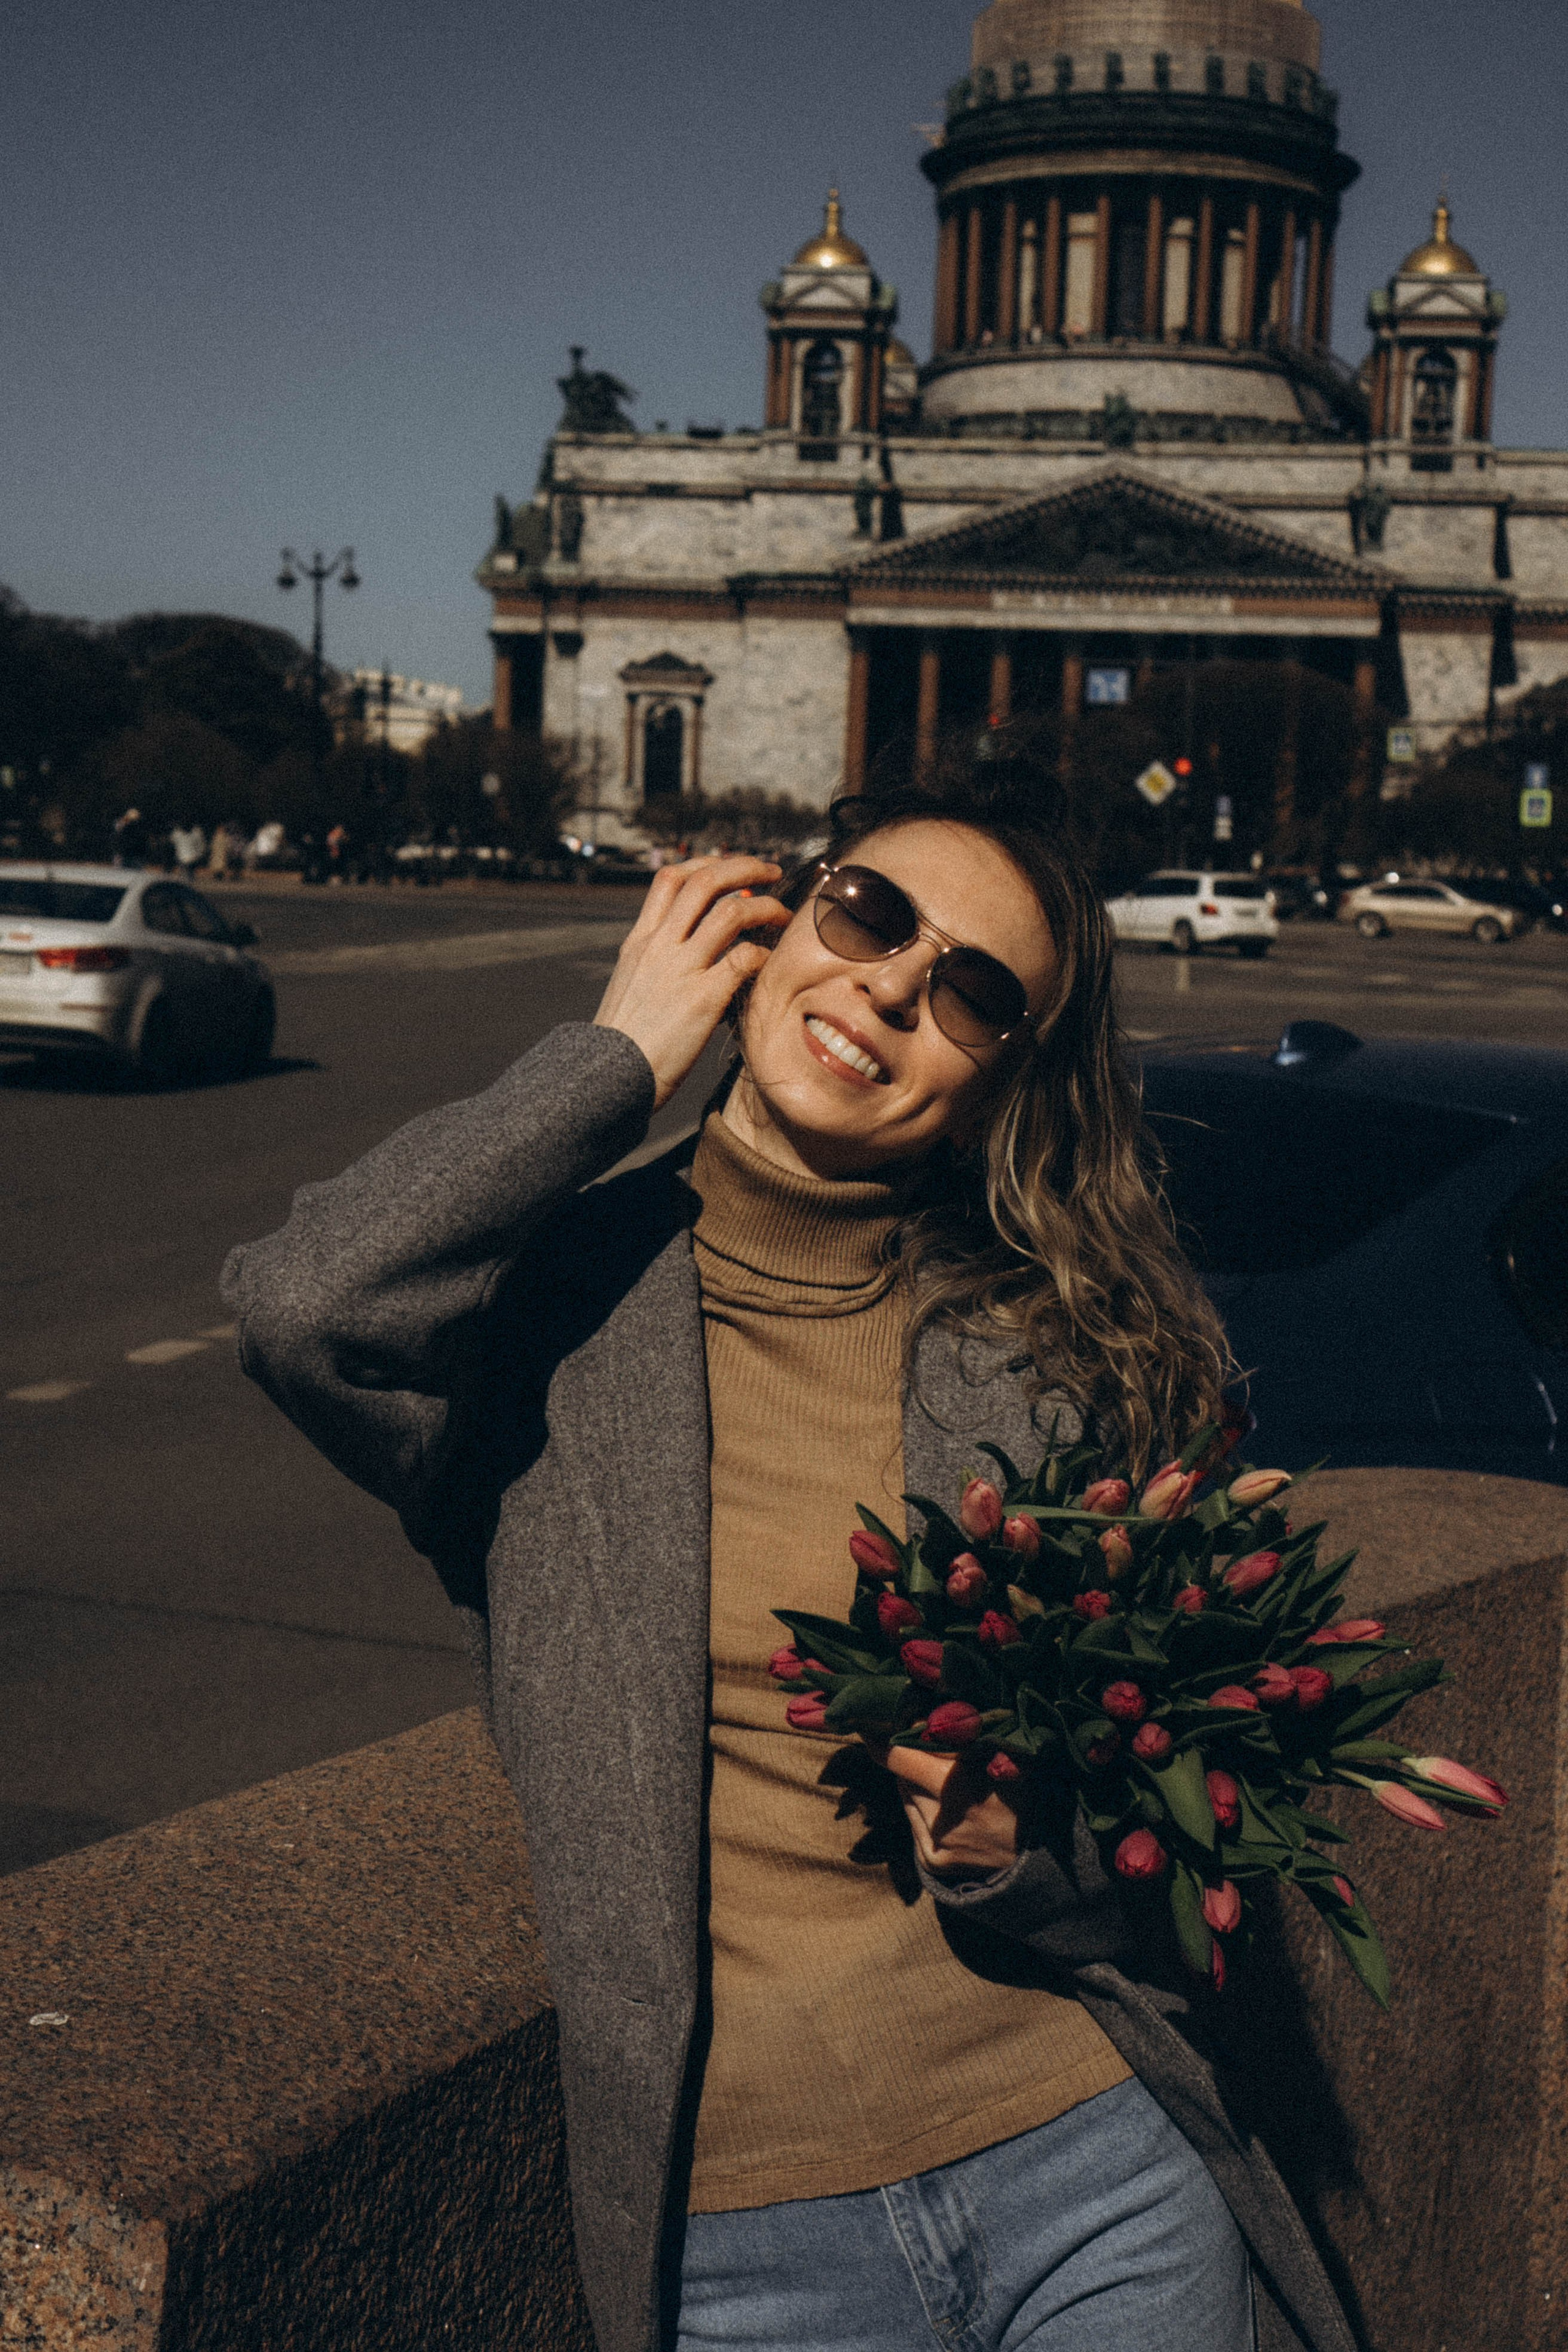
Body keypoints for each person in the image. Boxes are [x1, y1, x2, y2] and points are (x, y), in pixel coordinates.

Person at [222, 760, 1354, 2352]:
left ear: (998, 1082)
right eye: (867, 913)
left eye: (970, 992)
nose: (891, 984)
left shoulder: (1038, 1355)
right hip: (754, 2236)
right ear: (781, 914)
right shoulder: (548, 1317)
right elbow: (301, 1306)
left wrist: (1014, 1849)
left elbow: (1166, 1847)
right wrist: (613, 1058)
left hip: (1087, 2157)